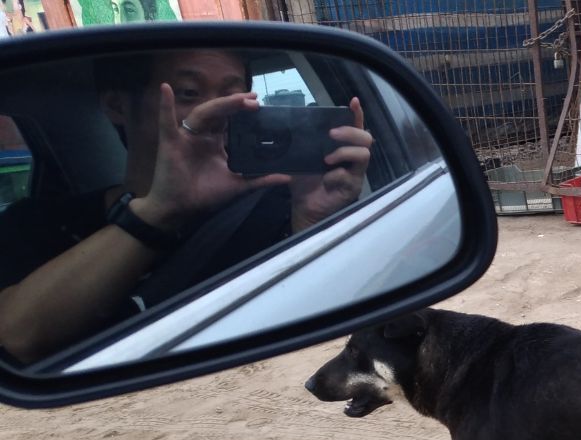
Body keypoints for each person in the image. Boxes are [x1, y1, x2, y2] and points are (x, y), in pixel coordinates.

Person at [0, 49, 372, 365]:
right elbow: (15, 338)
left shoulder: (280, 209)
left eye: (234, 94)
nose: (216, 111)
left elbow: (315, 334)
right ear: (117, 105)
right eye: (189, 92)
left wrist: (311, 220)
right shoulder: (35, 224)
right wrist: (160, 210)